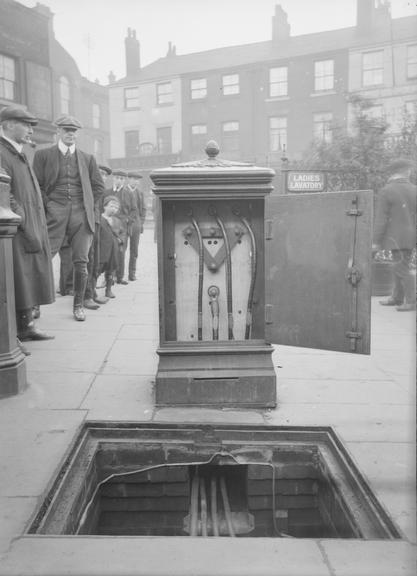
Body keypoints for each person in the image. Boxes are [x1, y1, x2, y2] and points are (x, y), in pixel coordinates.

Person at [33, 115, 104, 321]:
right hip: (54, 213)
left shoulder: (87, 158)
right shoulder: (43, 155)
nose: (70, 134)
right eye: (66, 130)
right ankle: (35, 305)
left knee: (81, 261)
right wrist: (49, 205)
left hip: (81, 215)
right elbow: (36, 184)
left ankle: (78, 305)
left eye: (73, 131)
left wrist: (87, 205)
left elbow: (98, 187)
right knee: (44, 257)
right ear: (58, 132)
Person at [0, 105, 55, 347]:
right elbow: (5, 193)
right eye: (26, 124)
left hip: (28, 223)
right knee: (17, 278)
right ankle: (13, 334)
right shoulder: (2, 151)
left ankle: (25, 327)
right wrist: (21, 218)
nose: (31, 130)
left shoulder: (17, 151)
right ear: (9, 124)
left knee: (27, 276)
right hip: (14, 226)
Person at [373, 158, 416, 311]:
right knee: (399, 265)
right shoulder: (414, 189)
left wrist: (375, 241)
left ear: (393, 173)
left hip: (395, 237)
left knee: (401, 268)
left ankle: (411, 301)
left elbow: (381, 219)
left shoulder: (387, 190)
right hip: (411, 236)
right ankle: (397, 298)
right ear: (406, 172)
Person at [105, 168, 137, 285]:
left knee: (121, 251)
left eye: (122, 179)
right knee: (108, 251)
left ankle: (119, 277)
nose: (119, 180)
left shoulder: (128, 193)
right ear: (113, 179)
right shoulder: (107, 192)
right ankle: (108, 277)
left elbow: (134, 210)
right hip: (108, 225)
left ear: (124, 181)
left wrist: (128, 220)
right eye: (117, 178)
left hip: (122, 227)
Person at [96, 195, 124, 299]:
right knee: (97, 269)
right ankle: (91, 290)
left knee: (111, 270)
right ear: (104, 206)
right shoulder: (99, 219)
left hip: (114, 250)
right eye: (112, 206)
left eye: (116, 208)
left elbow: (122, 233)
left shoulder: (117, 221)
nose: (114, 209)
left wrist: (120, 240)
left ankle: (108, 289)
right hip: (102, 250)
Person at [126, 171, 146, 281]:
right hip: (124, 224)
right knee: (120, 249)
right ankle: (116, 274)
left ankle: (132, 273)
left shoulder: (140, 193)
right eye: (134, 179)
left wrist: (141, 222)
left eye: (137, 180)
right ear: (129, 179)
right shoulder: (123, 191)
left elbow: (143, 209)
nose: (136, 182)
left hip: (136, 224)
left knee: (134, 250)